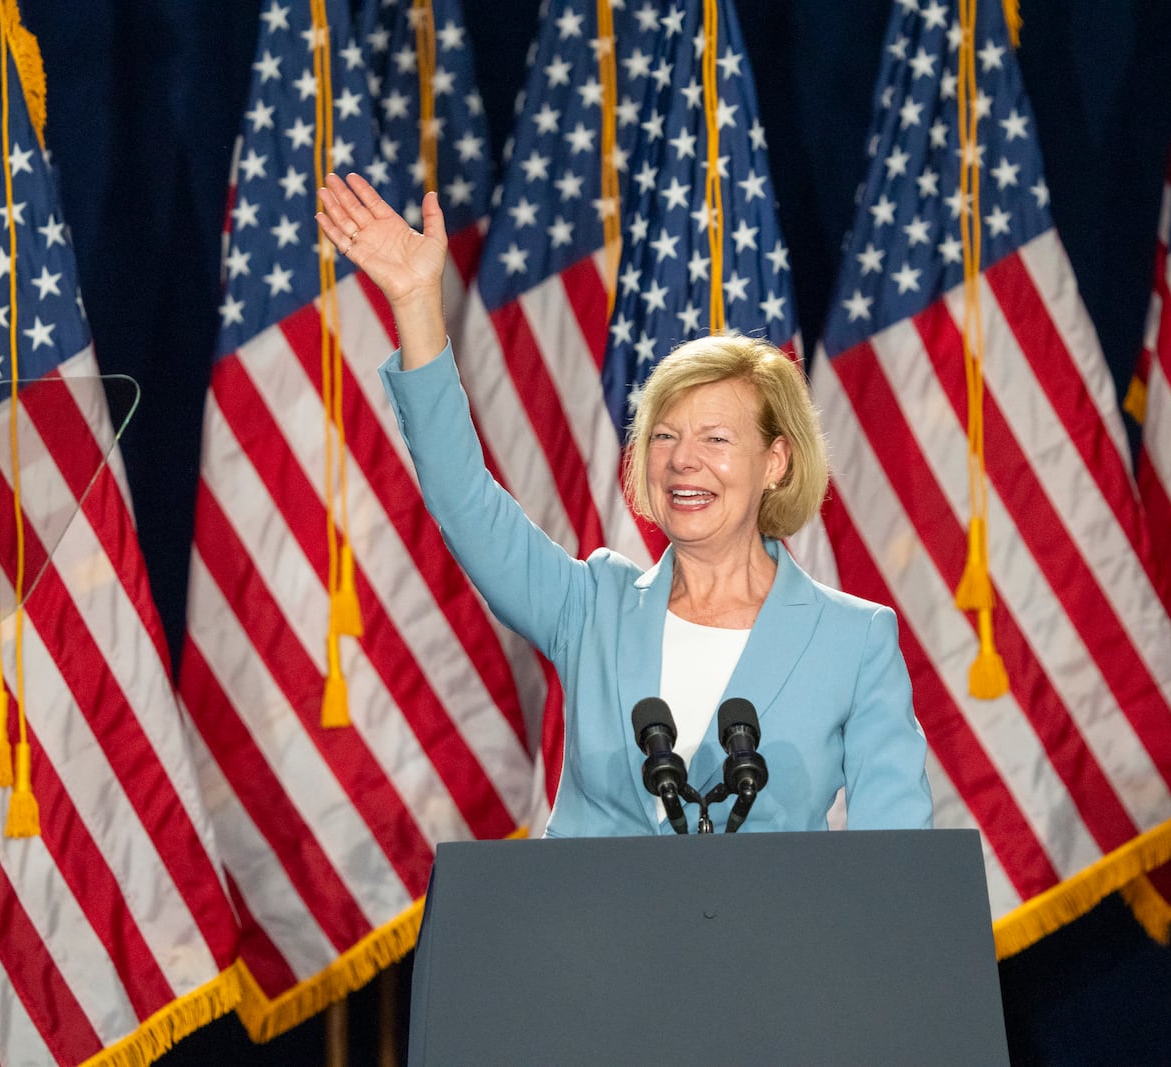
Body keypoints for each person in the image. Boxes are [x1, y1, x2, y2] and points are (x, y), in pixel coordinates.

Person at [315, 173, 933, 837]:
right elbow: (465, 501)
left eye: (715, 439)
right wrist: (416, 303)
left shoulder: (854, 638)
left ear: (776, 461)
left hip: (774, 941)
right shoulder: (591, 606)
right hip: (584, 938)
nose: (681, 460)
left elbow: (895, 862)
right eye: (663, 436)